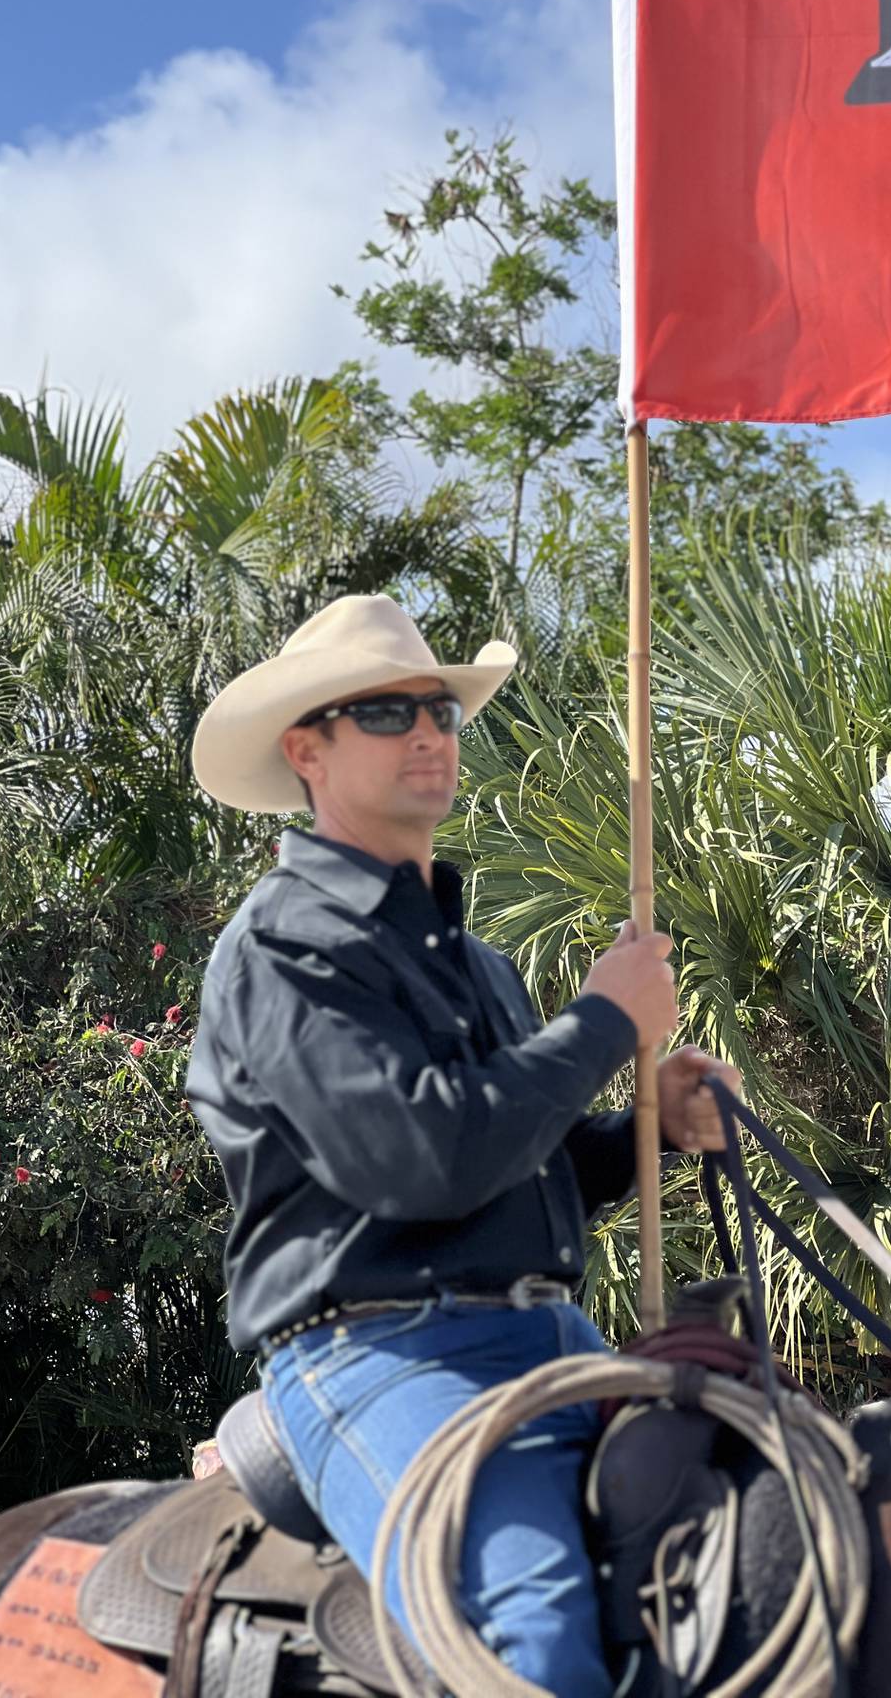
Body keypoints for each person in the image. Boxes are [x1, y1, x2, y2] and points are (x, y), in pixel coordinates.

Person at [185, 593, 742, 1698]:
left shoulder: (478, 963)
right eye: (389, 711)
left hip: (554, 1333)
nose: (430, 732)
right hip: (378, 1358)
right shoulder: (282, 947)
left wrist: (654, 1130)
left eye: (440, 707)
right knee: (531, 1643)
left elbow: (508, 1178)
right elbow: (424, 1162)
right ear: (308, 750)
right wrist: (600, 1028)